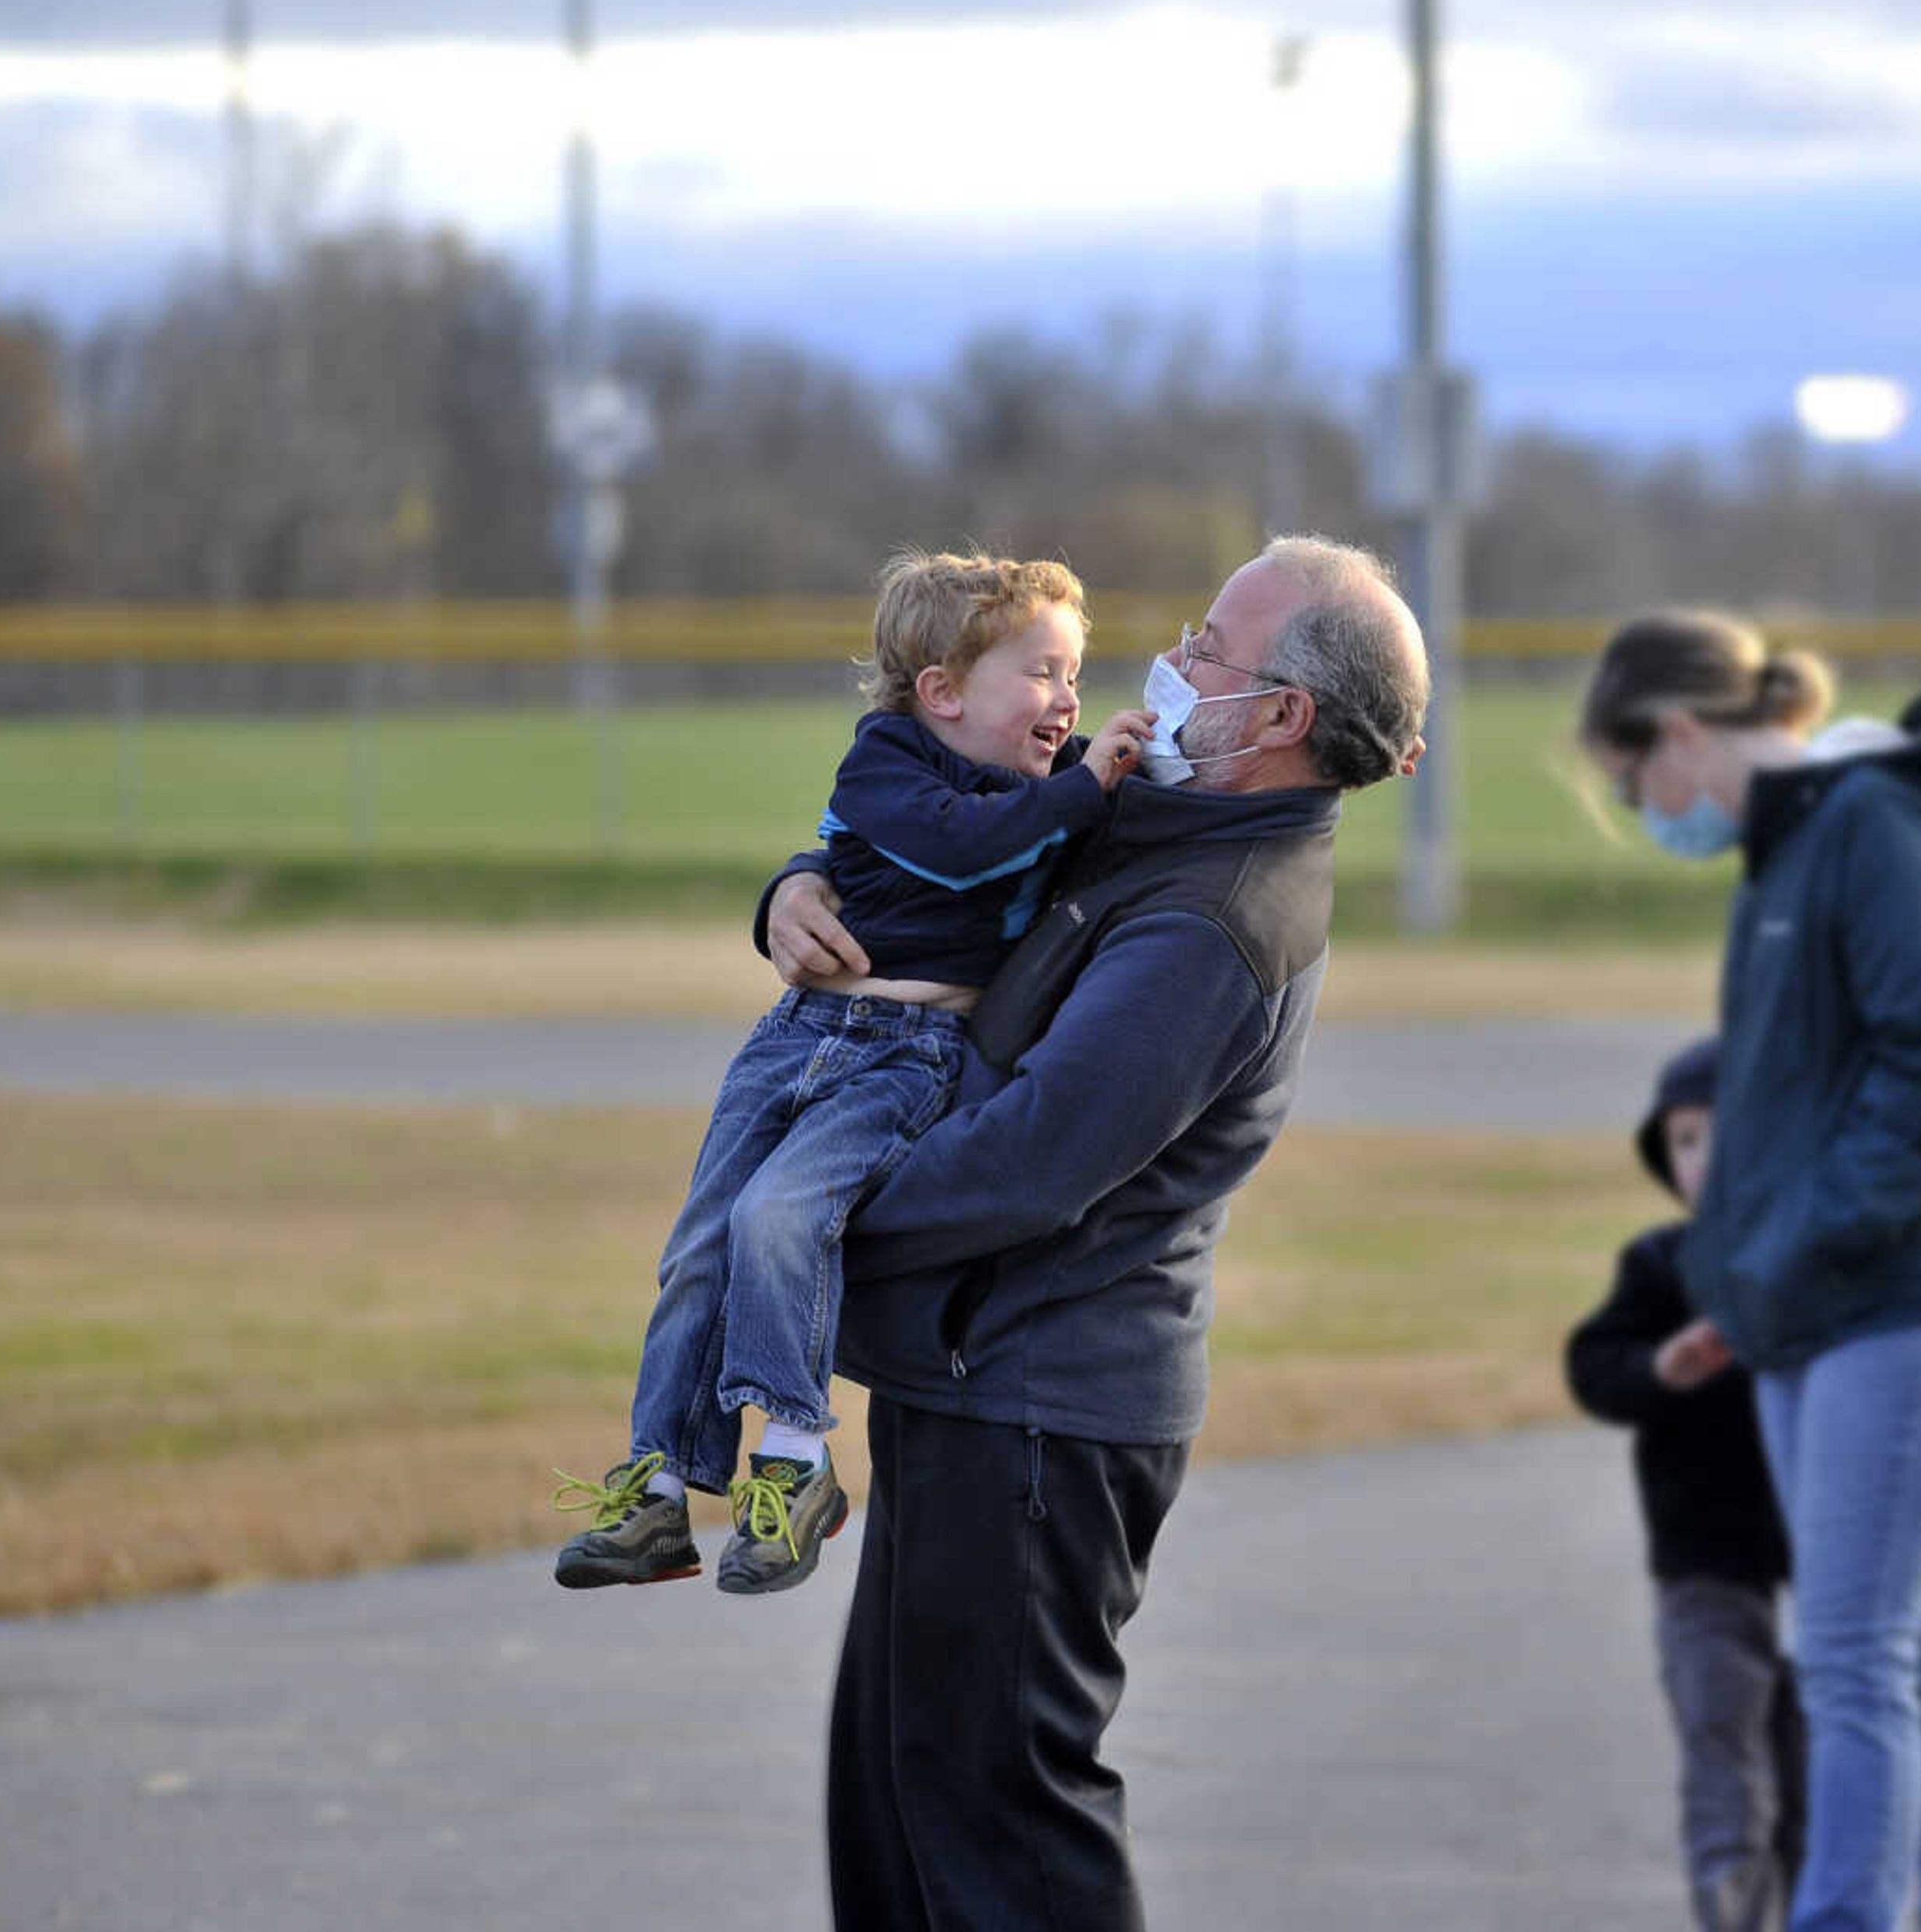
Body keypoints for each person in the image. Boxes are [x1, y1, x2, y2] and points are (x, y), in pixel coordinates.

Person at [760, 534, 1430, 1932]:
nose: (1174, 662)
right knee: (893, 1798)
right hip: (970, 1381)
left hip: (1041, 1416)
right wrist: (791, 893)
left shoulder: (1218, 916)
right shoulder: (1163, 822)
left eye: (1208, 647)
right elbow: (941, 838)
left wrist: (806, 1229)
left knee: (1003, 1826)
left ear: (1283, 716)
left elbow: (1029, 1164)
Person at [550, 550, 1154, 1598]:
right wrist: (1085, 789)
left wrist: (1355, 738)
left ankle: (793, 1465)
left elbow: (1184, 781)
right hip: (795, 1036)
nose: (1069, 701)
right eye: (1045, 673)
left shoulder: (1057, 779)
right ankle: (657, 1488)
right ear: (943, 693)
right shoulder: (885, 764)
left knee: (778, 1219)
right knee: (700, 1245)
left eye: (1074, 676)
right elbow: (959, 846)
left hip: (905, 1057)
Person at [1578, 608, 1921, 1932]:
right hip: (1803, 1312)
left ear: (1677, 732)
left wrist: (1786, 1251)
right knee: (1910, 1664)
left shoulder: (1877, 827)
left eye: (1633, 782)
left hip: (1899, 1305)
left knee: (1850, 1662)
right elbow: (1781, 1104)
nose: (1643, 808)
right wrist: (1742, 1275)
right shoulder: (1785, 852)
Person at [1567, 1033, 1805, 1932]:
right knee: (1728, 1774)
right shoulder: (1662, 1267)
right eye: (1686, 1141)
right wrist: (1664, 1367)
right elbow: (1595, 1365)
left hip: (1815, 1568)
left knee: (1812, 1781)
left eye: (1724, 1135)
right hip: (1704, 1571)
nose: (1703, 1159)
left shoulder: (1808, 1262)